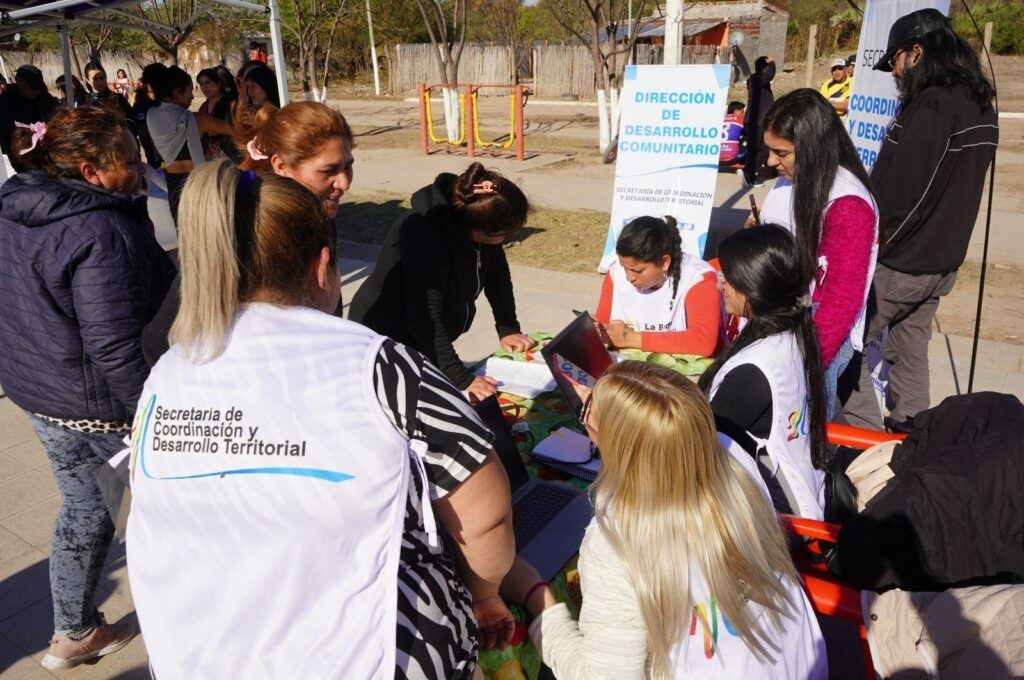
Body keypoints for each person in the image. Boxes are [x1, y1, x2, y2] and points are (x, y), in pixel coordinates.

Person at [128, 160, 515, 679]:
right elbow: (484, 509)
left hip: (194, 656)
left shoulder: (168, 373)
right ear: (323, 266)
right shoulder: (383, 366)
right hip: (367, 656)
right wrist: (485, 593)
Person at [501, 360, 827, 678]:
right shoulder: (728, 452)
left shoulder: (617, 538)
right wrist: (605, 400)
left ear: (618, 447)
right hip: (802, 663)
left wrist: (538, 600)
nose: (584, 415)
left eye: (587, 415)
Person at [0, 106, 175, 670]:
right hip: (101, 407)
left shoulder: (15, 206)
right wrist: (158, 419)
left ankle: (75, 630)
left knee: (84, 508)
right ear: (88, 169)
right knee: (170, 513)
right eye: (128, 160)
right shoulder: (101, 229)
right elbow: (116, 346)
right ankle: (193, 621)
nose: (140, 167)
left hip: (41, 394)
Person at [841, 8, 998, 433]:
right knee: (910, 349)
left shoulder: (932, 106)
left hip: (899, 263)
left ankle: (862, 440)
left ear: (916, 51)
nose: (892, 70)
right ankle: (912, 432)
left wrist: (867, 251)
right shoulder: (979, 103)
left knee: (843, 345)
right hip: (938, 263)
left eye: (894, 60)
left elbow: (906, 195)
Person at [141, 101, 356, 364]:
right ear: (281, 165)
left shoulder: (322, 219)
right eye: (329, 170)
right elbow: (159, 340)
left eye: (348, 166)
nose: (344, 182)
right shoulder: (241, 230)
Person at [350, 162, 535, 402]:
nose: (507, 239)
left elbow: (497, 275)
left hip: (425, 338)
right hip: (387, 338)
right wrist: (462, 379)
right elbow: (425, 317)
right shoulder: (424, 235)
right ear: (476, 232)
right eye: (503, 235)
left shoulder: (475, 219)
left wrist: (508, 327)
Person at [755, 88, 878, 420]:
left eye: (781, 152)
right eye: (769, 150)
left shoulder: (848, 204)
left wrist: (802, 363)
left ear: (811, 146)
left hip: (812, 344)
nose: (770, 161)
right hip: (784, 332)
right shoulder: (795, 178)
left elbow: (839, 300)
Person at [700, 225, 828, 520]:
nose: (720, 286)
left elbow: (694, 444)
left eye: (727, 279)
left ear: (752, 285)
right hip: (803, 491)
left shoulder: (755, 368)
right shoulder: (793, 330)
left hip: (774, 518)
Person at [595, 215, 721, 356]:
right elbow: (602, 329)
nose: (629, 277)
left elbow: (702, 342)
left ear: (665, 262)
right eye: (625, 268)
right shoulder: (615, 273)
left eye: (638, 271)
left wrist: (631, 338)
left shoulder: (698, 279)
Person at [146, 65, 232, 221]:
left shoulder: (151, 116)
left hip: (172, 184)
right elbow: (232, 130)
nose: (193, 96)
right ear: (178, 92)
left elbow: (162, 155)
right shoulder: (197, 118)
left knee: (186, 236)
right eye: (190, 91)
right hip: (199, 183)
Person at [0, 64, 58, 157]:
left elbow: (57, 114)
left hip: (49, 149)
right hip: (24, 154)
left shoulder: (43, 96)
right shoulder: (5, 101)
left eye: (37, 87)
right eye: (32, 87)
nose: (36, 91)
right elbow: (8, 133)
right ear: (19, 81)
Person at [741, 55, 775, 188]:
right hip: (757, 121)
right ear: (764, 68)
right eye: (767, 67)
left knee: (758, 149)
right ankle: (747, 172)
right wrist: (772, 62)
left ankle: (750, 176)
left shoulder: (756, 81)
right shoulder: (758, 78)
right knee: (761, 149)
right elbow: (770, 74)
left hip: (756, 120)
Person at [131, 62, 165, 168]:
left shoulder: (168, 101)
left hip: (169, 152)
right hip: (152, 153)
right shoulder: (140, 104)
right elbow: (139, 128)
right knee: (157, 170)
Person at [196, 67, 235, 159]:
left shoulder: (229, 103)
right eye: (201, 84)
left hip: (229, 151)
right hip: (209, 155)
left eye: (208, 82)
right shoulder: (203, 107)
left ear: (218, 84)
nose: (204, 87)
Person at [83, 61, 134, 126]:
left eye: (102, 78)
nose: (100, 82)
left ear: (106, 77)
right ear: (87, 80)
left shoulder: (117, 98)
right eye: (95, 79)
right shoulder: (84, 102)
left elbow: (131, 120)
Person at [719, 100, 745, 165]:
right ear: (736, 111)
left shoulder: (720, 118)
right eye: (742, 112)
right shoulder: (739, 119)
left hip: (717, 157)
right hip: (732, 159)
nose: (743, 115)